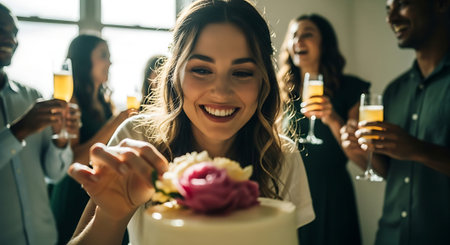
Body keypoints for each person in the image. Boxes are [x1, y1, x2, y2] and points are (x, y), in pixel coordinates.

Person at [66, 0, 315, 244]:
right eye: (202, 70)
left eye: (242, 73)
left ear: (264, 82)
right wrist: (110, 216)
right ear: (175, 74)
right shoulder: (137, 139)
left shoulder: (282, 157)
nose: (221, 92)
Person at [341, 0, 450, 244]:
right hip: (389, 237)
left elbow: (412, 152)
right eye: (388, 9)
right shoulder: (393, 91)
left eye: (402, 4)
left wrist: (416, 149)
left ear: (441, 4)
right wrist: (358, 152)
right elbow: (392, 172)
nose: (391, 18)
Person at [278, 14, 370, 245]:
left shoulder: (350, 89)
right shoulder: (280, 93)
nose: (299, 40)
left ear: (324, 44)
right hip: (291, 193)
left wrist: (332, 118)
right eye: (294, 35)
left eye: (307, 34)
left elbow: (363, 160)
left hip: (333, 194)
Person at [0, 3, 78, 244]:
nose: (11, 38)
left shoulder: (32, 97)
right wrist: (20, 130)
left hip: (46, 238)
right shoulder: (30, 114)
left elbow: (55, 174)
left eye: (14, 32)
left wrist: (61, 139)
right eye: (2, 30)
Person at [50, 34, 135, 245]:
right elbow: (72, 160)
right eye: (103, 55)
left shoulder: (104, 101)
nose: (110, 62)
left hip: (100, 191)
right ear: (83, 59)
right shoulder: (70, 100)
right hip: (74, 195)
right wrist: (115, 123)